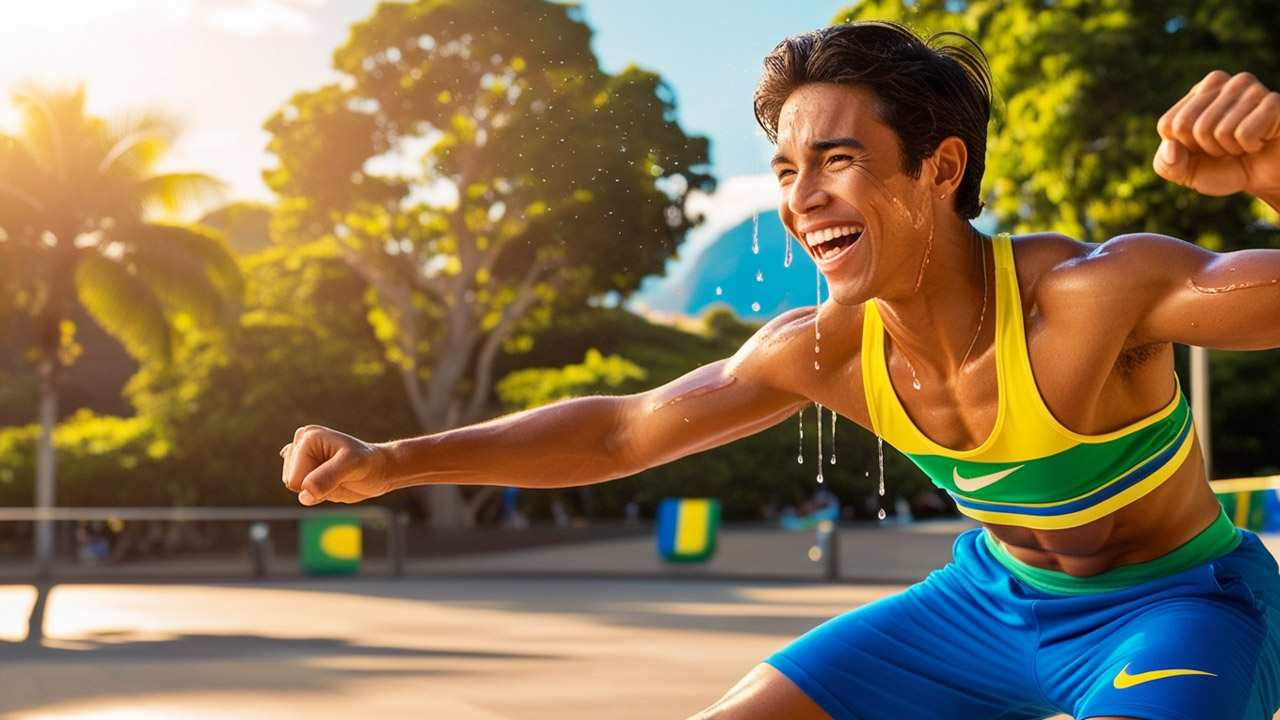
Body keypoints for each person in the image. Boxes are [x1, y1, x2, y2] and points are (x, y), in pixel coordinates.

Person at [280, 20, 1280, 720]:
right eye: (787, 170)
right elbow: (623, 431)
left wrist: (1271, 173)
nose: (803, 200)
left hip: (1175, 606)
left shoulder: (1089, 296)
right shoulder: (821, 349)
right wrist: (391, 461)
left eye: (837, 160)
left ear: (939, 169)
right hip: (987, 603)